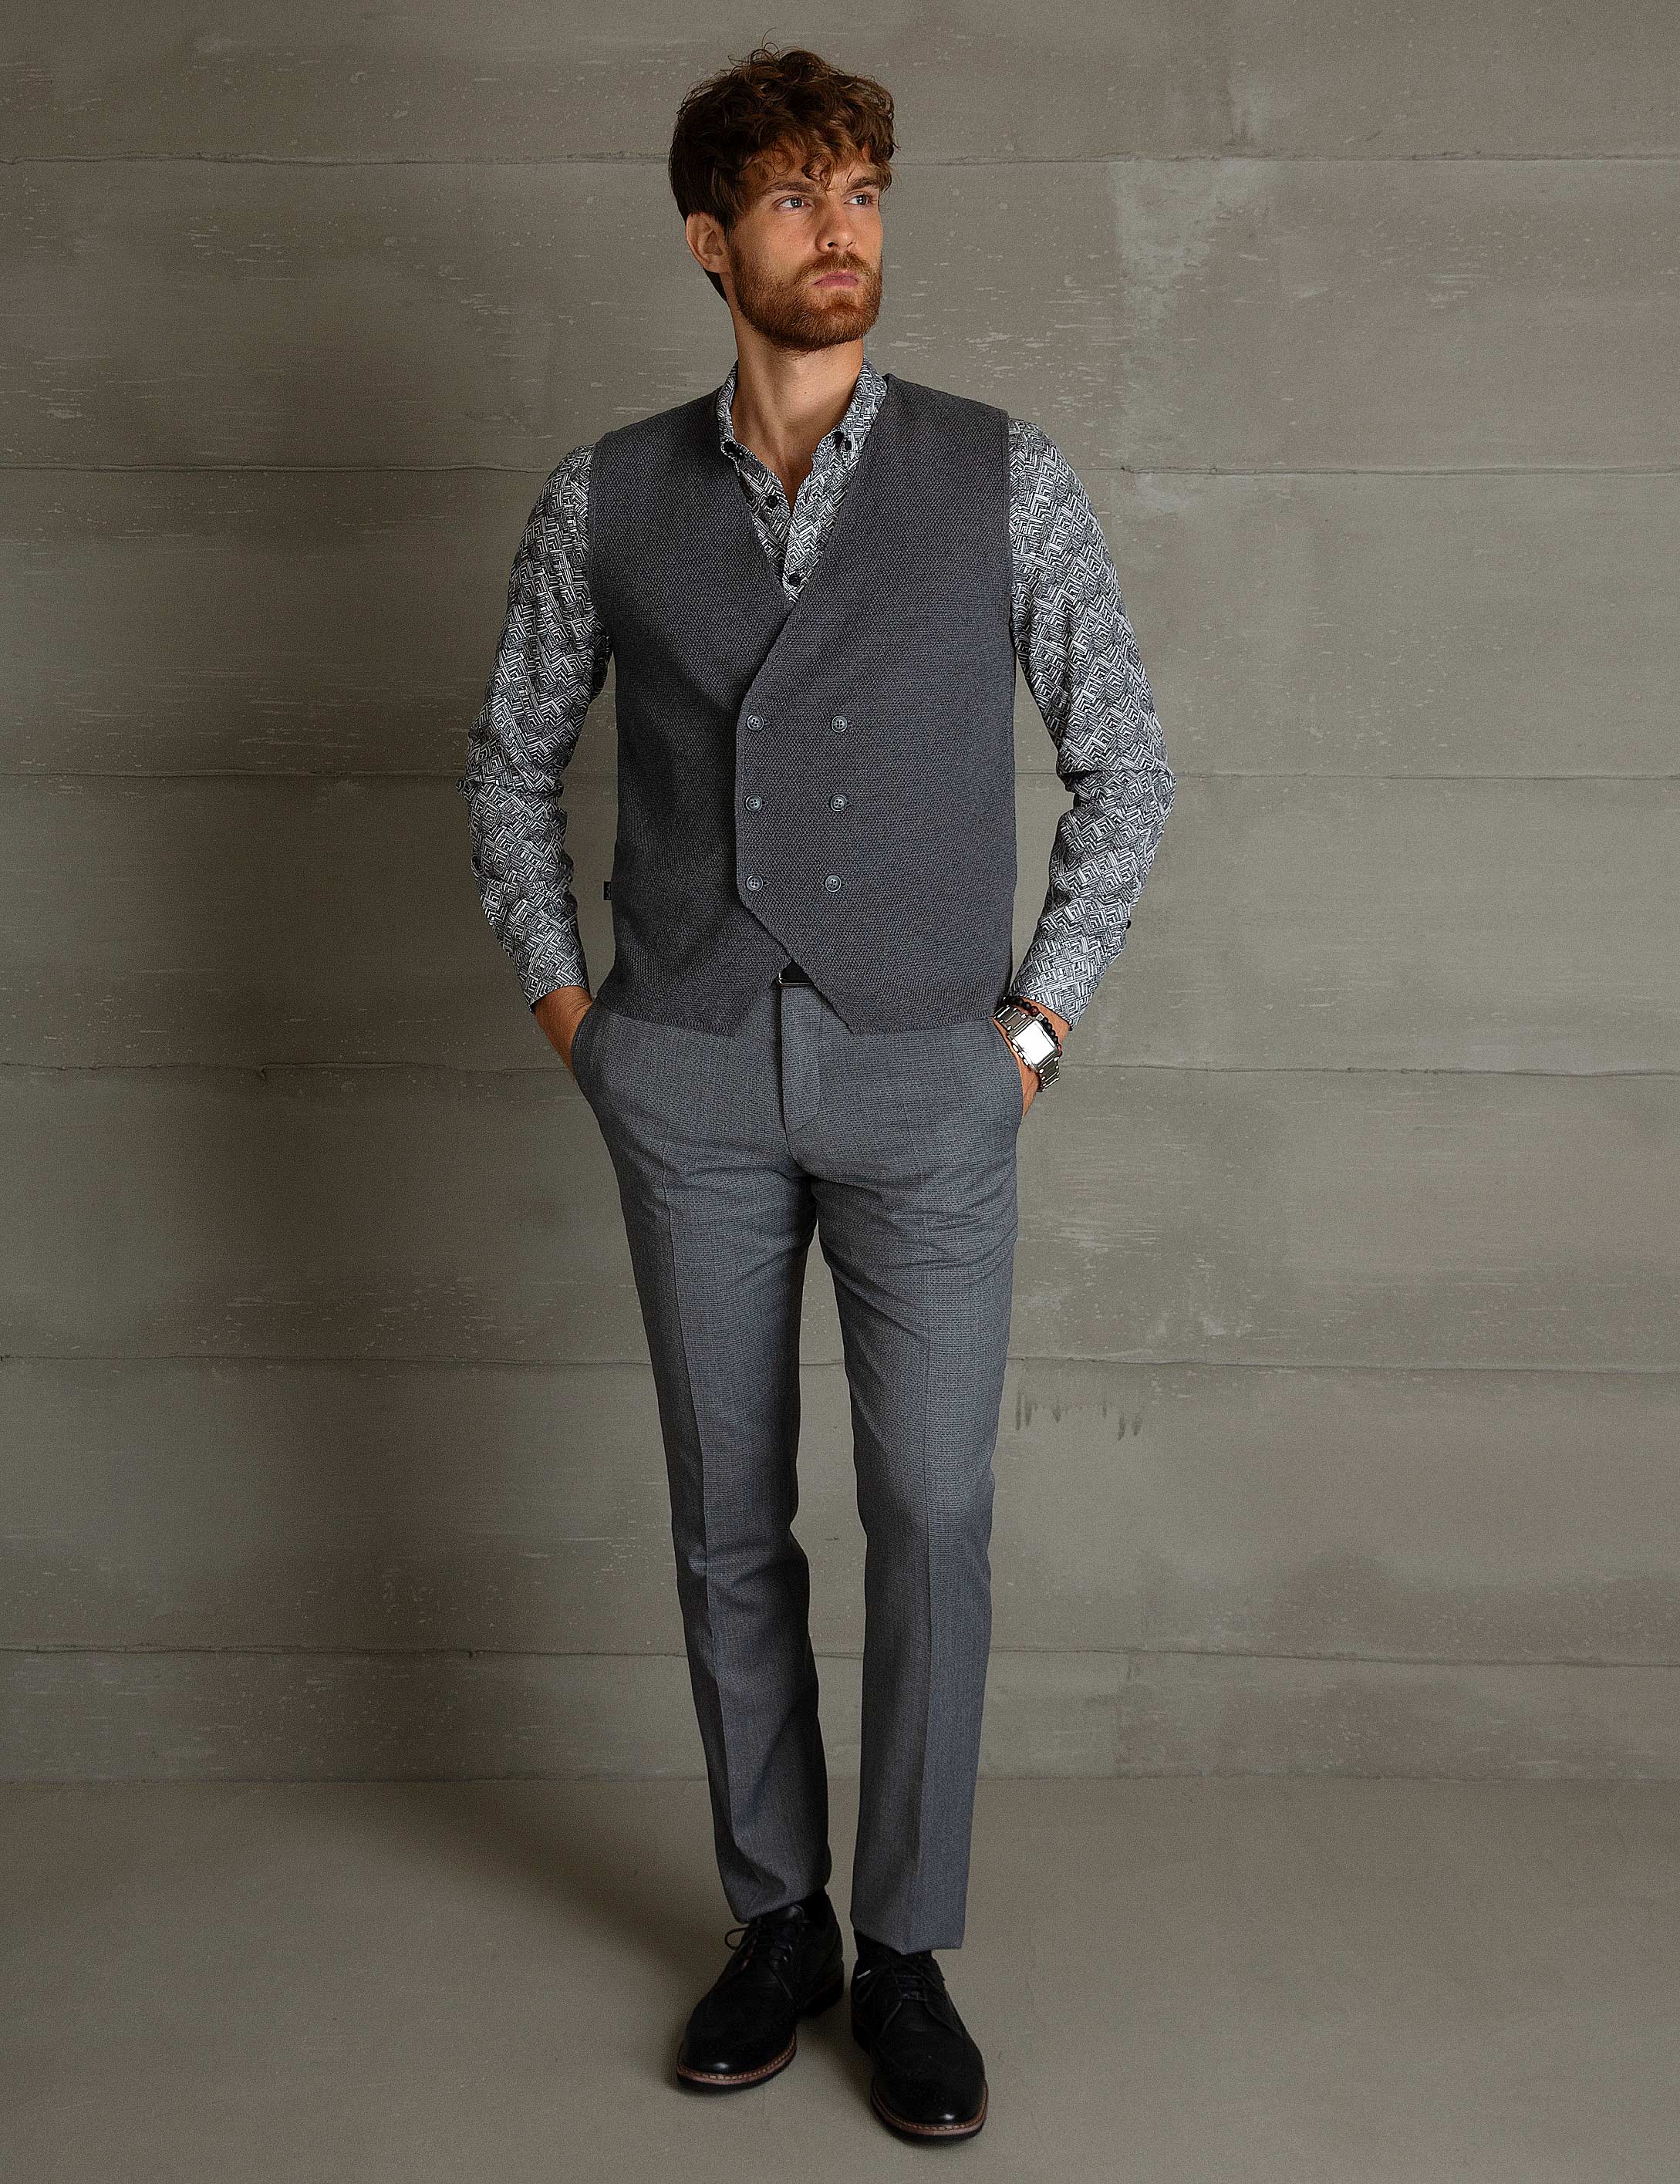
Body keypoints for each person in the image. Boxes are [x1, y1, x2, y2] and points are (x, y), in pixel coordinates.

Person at [458, 41, 1175, 2145]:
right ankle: (773, 1918)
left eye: (859, 190)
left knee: (932, 1517)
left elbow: (1126, 766)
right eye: (792, 197)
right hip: (683, 1072)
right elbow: (506, 760)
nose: (838, 228)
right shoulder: (606, 495)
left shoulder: (1002, 476)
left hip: (928, 1077)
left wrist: (1030, 1033)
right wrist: (576, 1018)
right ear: (712, 241)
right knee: (723, 1521)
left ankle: (908, 1949)